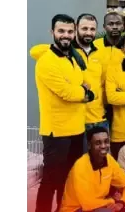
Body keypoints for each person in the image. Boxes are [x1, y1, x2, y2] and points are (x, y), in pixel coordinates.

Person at [34, 14, 95, 212]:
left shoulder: (73, 58)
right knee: (51, 181)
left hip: (77, 129)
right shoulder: (46, 61)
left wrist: (81, 90)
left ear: (74, 32)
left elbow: (86, 83)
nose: (66, 35)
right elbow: (67, 93)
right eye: (61, 31)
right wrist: (83, 92)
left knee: (69, 180)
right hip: (56, 132)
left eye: (69, 31)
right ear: (52, 32)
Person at [60, 127, 125, 212]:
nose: (103, 146)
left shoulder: (109, 159)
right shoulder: (80, 166)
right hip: (77, 208)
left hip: (102, 204)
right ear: (89, 145)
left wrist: (121, 202)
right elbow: (87, 203)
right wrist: (112, 201)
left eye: (106, 141)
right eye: (98, 143)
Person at [73, 13, 109, 134]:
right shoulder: (65, 52)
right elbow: (35, 51)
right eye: (84, 28)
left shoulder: (100, 53)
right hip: (75, 119)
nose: (89, 33)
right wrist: (71, 50)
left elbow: (103, 83)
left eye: (92, 29)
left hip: (98, 119)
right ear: (76, 28)